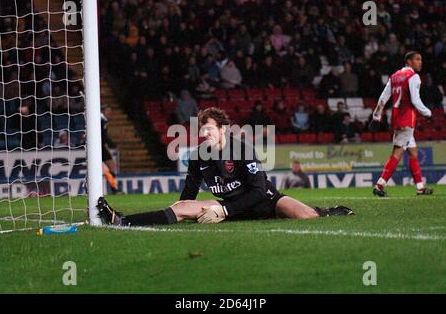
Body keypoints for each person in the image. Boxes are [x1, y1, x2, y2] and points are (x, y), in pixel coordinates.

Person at [96, 107, 354, 226]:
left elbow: (258, 191)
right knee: (182, 207)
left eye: (209, 129)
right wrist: (181, 210)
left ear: (223, 130)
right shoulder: (198, 155)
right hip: (227, 207)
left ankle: (326, 211)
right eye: (201, 129)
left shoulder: (241, 149)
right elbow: (189, 192)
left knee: (305, 216)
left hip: (262, 202)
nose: (204, 133)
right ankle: (121, 220)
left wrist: (224, 210)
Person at [371, 51, 433, 197]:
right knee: (397, 153)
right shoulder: (413, 77)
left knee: (413, 152)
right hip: (407, 120)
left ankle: (420, 188)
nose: (420, 62)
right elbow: (415, 100)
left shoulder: (394, 76)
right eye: (417, 59)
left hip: (397, 120)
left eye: (421, 59)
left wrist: (376, 116)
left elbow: (383, 97)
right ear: (409, 62)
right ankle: (379, 185)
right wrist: (428, 113)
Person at [101, 104, 120, 194]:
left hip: (100, 147)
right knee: (112, 167)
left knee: (109, 168)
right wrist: (108, 145)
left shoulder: (103, 120)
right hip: (100, 147)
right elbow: (103, 137)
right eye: (108, 111)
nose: (110, 113)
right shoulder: (102, 120)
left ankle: (114, 189)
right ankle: (114, 189)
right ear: (103, 111)